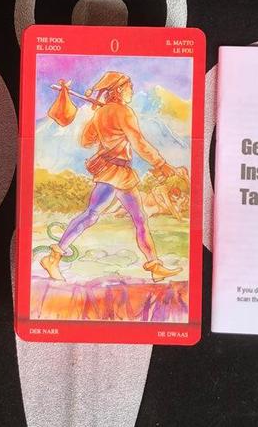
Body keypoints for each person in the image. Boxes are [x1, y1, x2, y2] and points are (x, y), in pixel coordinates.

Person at [39, 71, 184, 283]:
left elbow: (86, 140)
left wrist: (102, 119)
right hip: (112, 173)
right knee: (91, 215)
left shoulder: (101, 113)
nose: (131, 90)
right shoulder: (124, 112)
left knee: (140, 218)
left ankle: (154, 266)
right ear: (118, 89)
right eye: (129, 86)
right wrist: (160, 164)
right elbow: (138, 142)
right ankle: (53, 258)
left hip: (122, 173)